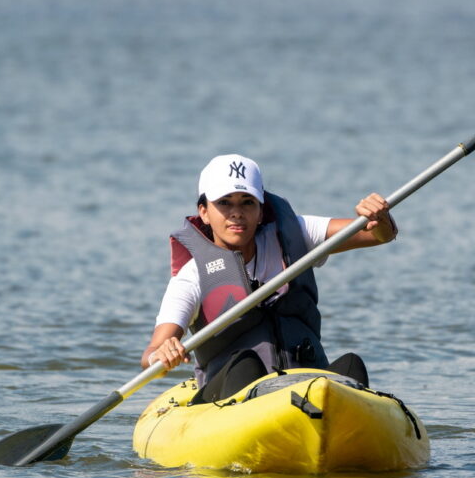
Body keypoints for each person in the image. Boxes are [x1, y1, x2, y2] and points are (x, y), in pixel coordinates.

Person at [140, 153, 398, 404]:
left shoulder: (297, 234)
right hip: (230, 397)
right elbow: (151, 354)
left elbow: (377, 235)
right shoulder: (193, 276)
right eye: (225, 203)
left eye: (247, 202)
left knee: (352, 365)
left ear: (261, 211)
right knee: (245, 364)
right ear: (204, 212)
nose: (236, 213)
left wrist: (380, 218)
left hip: (303, 386)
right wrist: (162, 354)